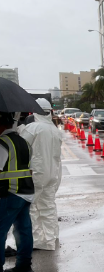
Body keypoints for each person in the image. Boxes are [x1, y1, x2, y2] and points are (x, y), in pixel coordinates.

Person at [17, 98, 62, 251]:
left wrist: (20, 128)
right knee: (48, 206)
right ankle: (50, 238)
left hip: (36, 174)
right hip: (52, 174)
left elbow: (21, 146)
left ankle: (37, 241)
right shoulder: (55, 130)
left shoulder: (32, 128)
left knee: (33, 207)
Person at [0, 111, 36, 272]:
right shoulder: (24, 142)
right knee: (23, 230)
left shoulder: (2, 143)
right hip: (25, 193)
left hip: (9, 193)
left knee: (0, 231)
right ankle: (24, 267)